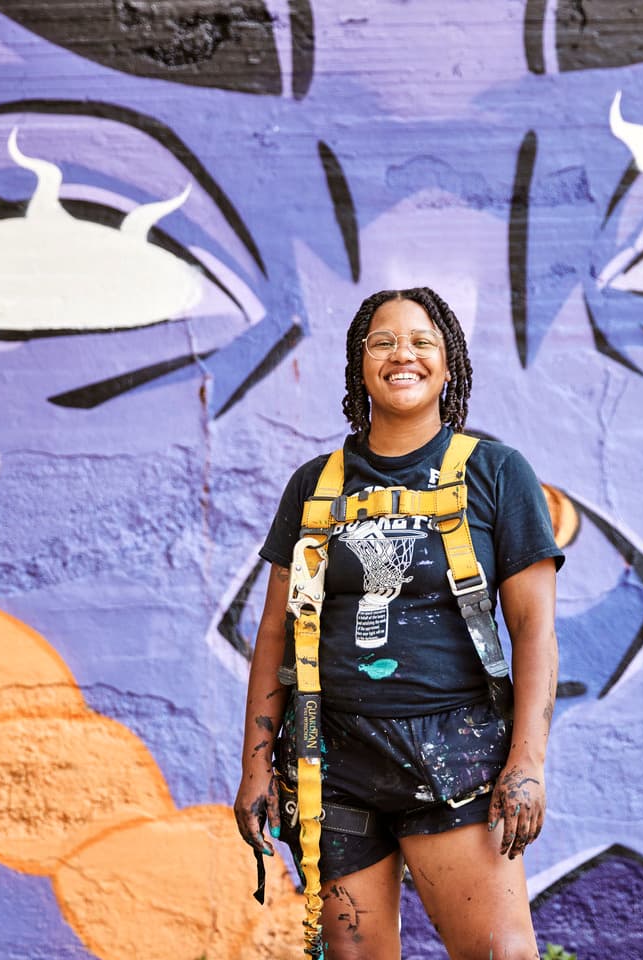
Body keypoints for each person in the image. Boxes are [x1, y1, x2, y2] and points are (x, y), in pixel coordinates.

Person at [235, 286, 563, 959]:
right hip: (332, 761)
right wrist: (256, 767)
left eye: (422, 342)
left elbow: (535, 630)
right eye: (382, 341)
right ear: (361, 364)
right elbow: (274, 631)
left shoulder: (495, 474)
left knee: (501, 953)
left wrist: (527, 762)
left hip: (456, 754)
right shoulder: (314, 485)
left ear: (449, 366)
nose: (401, 354)